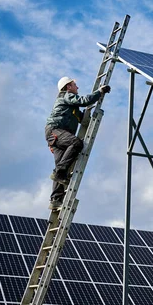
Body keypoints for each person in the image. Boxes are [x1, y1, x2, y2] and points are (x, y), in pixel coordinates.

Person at [45, 76, 111, 210]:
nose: (77, 87)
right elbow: (84, 101)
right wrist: (100, 91)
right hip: (56, 131)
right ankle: (59, 173)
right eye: (75, 85)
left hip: (57, 136)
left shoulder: (72, 107)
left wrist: (88, 114)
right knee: (76, 143)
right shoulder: (66, 96)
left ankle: (55, 200)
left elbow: (82, 119)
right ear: (68, 87)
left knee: (61, 165)